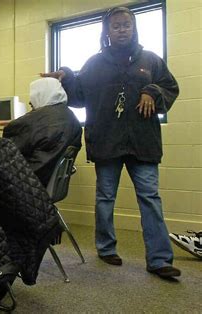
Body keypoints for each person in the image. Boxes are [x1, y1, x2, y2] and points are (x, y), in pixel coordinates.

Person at [42, 7, 180, 278]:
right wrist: (66, 77)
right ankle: (106, 248)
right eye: (115, 26)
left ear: (134, 28)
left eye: (126, 25)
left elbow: (170, 87)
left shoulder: (151, 61)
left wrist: (152, 90)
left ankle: (159, 259)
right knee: (105, 197)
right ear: (107, 31)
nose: (121, 29)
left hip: (143, 143)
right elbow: (79, 97)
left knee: (150, 198)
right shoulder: (94, 63)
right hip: (107, 142)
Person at [2, 77, 82, 187]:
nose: (31, 101)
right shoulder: (71, 118)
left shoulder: (33, 122)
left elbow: (5, 155)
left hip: (26, 185)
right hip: (45, 184)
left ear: (40, 95)